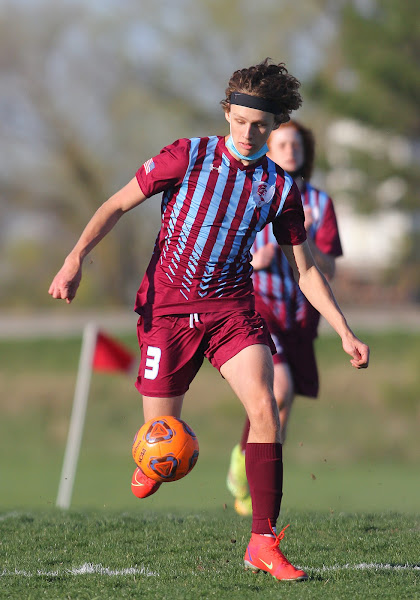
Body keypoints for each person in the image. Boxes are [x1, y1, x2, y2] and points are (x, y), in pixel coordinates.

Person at [49, 58, 369, 583]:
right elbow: (116, 204)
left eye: (261, 125)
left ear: (276, 126)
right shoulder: (187, 156)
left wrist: (345, 330)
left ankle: (263, 540)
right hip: (166, 312)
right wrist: (74, 258)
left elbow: (305, 268)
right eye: (240, 121)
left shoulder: (281, 189)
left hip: (231, 311)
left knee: (265, 407)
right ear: (227, 114)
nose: (249, 133)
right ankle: (154, 451)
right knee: (162, 434)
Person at [227, 119, 344, 516]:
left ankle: (250, 464)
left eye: (296, 145)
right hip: (260, 308)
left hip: (300, 316)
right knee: (279, 390)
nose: (290, 151)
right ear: (268, 149)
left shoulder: (320, 204)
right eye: (282, 145)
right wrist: (253, 260)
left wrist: (305, 241)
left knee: (283, 401)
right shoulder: (255, 192)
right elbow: (227, 245)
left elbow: (328, 266)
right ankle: (247, 471)